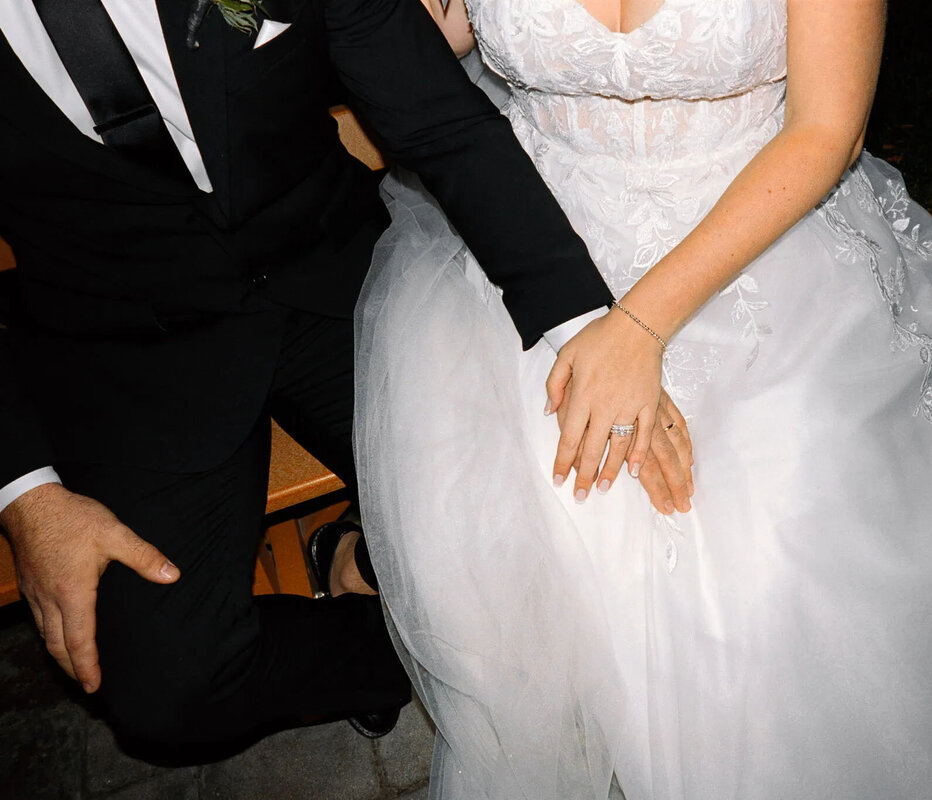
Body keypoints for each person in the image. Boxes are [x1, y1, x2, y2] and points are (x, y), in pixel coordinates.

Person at [356, 0, 932, 797]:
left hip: (760, 233)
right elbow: (404, 56)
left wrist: (635, 332)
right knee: (515, 495)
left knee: (772, 524)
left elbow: (826, 130)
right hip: (531, 246)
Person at [0, 0, 686, 754]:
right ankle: (398, 645)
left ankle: (368, 563)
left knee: (566, 531)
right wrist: (25, 492)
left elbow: (439, 123)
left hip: (331, 270)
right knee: (170, 697)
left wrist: (585, 330)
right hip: (121, 349)